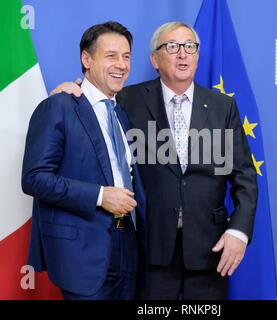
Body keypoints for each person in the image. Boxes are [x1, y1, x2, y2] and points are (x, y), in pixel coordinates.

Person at [51, 21, 257, 300]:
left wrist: (239, 232)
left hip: (211, 250)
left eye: (190, 46)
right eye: (172, 47)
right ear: (154, 59)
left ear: (197, 55)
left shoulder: (223, 107)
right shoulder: (125, 99)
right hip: (149, 249)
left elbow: (245, 176)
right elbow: (92, 106)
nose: (183, 54)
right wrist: (71, 91)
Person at [21, 21, 146, 300]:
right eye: (111, 55)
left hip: (127, 244)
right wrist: (101, 196)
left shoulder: (120, 114)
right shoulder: (59, 106)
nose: (122, 64)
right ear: (86, 59)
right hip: (83, 252)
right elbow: (34, 178)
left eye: (126, 56)